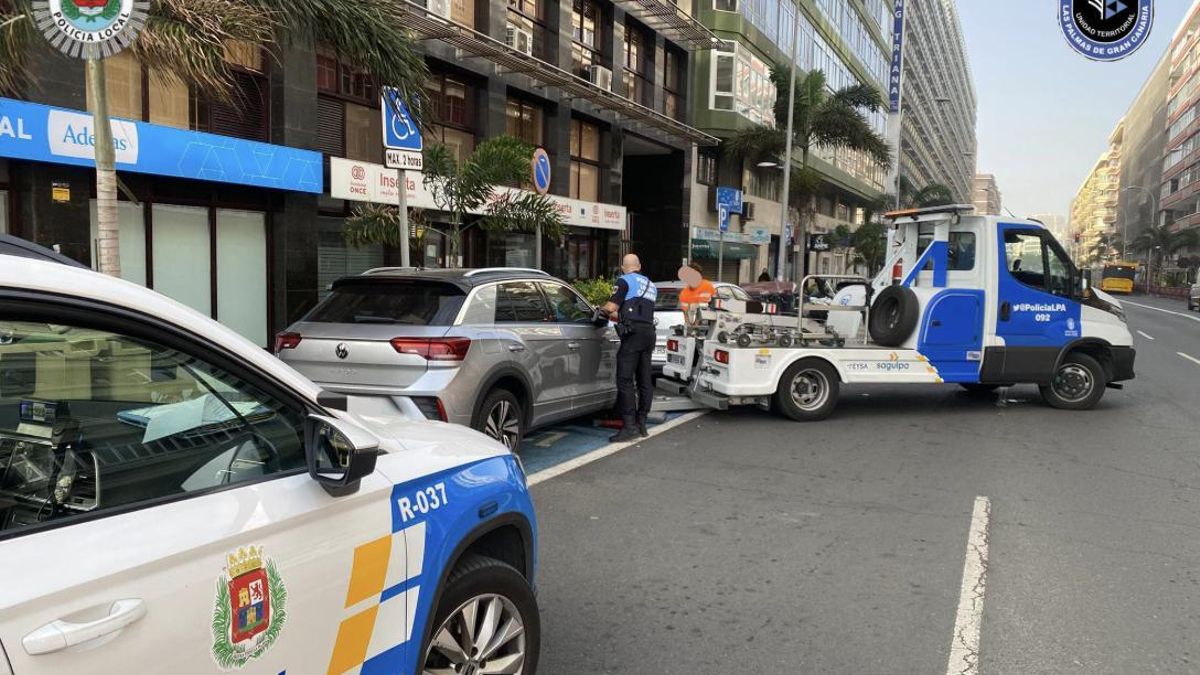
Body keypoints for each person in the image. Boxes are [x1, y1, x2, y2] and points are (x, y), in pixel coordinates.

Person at [602, 254, 658, 442]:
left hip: (633, 336)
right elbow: (638, 310)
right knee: (644, 380)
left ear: (623, 267)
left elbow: (611, 307)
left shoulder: (624, 281)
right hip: (649, 333)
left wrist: (599, 310)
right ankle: (641, 422)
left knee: (625, 379)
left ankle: (628, 427)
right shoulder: (651, 285)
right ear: (639, 266)